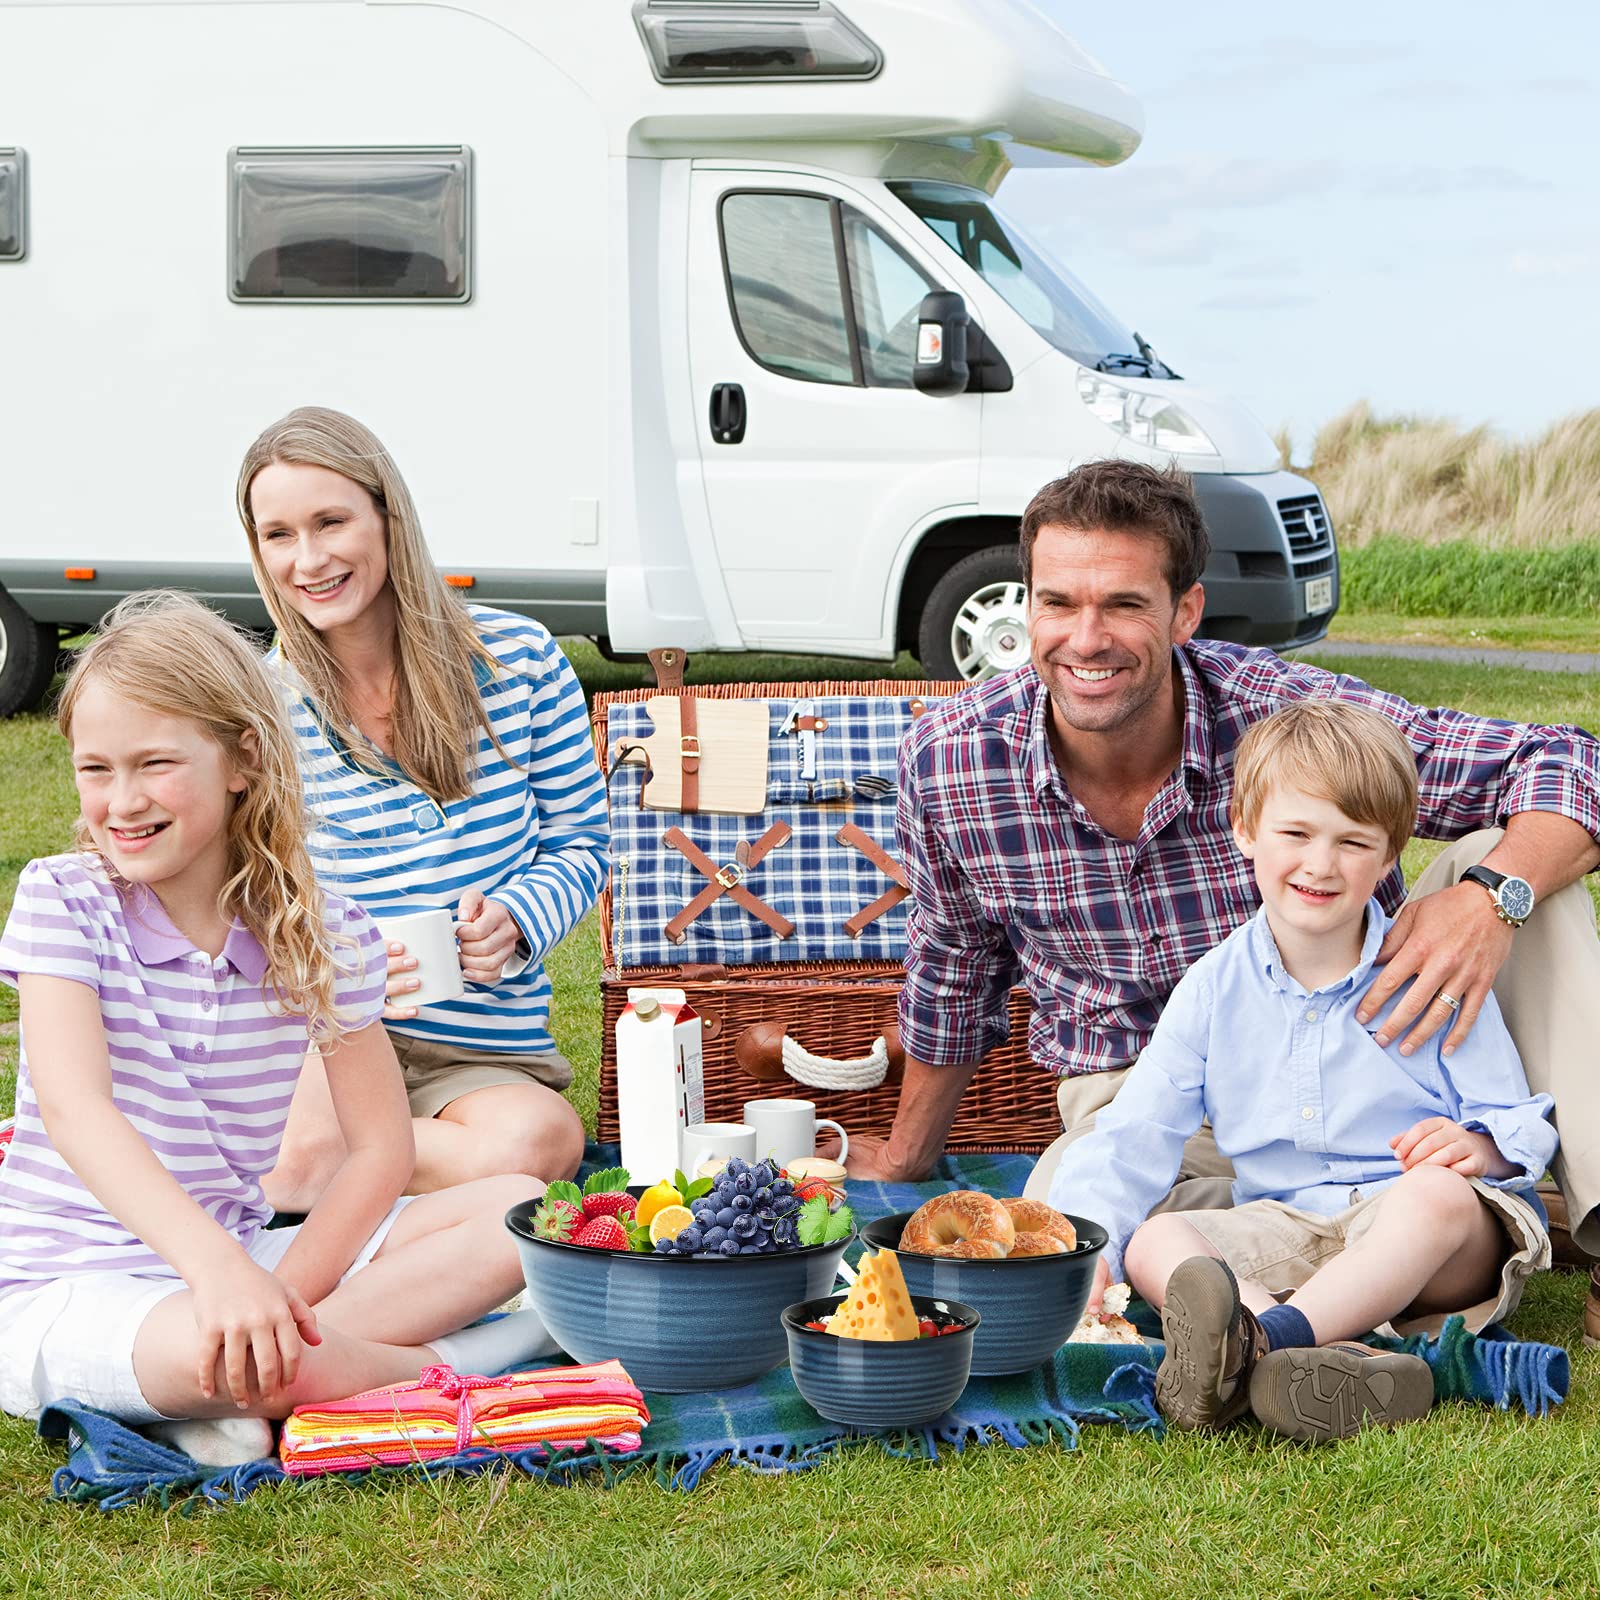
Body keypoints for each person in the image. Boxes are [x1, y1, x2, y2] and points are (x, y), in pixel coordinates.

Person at [848, 459, 1600, 1330]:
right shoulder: (950, 758)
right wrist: (905, 1162)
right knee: (1061, 1247)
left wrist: (1489, 897)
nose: (1085, 638)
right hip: (1133, 1096)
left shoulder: (1286, 716)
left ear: (1185, 612)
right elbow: (954, 972)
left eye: (1125, 604)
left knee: (1514, 866)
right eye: (1057, 602)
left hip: (1370, 1064)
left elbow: (1572, 764)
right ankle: (1275, 1336)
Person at [0, 595, 556, 1466]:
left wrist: (274, 1291)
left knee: (523, 1212)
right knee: (215, 1349)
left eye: (154, 764)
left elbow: (378, 1150)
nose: (122, 801)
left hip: (242, 1252)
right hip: (68, 1284)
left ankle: (265, 1373)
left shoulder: (322, 928)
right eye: (95, 769)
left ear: (242, 760)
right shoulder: (64, 900)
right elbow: (77, 1112)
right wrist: (222, 1278)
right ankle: (473, 1360)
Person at [1050, 701, 1556, 1441]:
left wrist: (1481, 1148)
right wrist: (1083, 1239)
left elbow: (1513, 1114)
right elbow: (1134, 1133)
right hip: (1288, 1224)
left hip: (1425, 1245)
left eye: (1353, 843)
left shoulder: (1428, 974)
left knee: (1438, 1197)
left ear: (1390, 857)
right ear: (1246, 831)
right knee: (1155, 1240)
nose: (1321, 864)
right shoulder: (1214, 989)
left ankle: (1262, 1346)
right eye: (1296, 834)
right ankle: (1320, 1360)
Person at [235, 408, 608, 1210]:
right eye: (279, 535)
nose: (310, 559)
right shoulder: (261, 707)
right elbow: (244, 890)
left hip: (477, 1053)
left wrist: (515, 917)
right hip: (328, 1035)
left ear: (387, 516)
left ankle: (341, 1175)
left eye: (331, 521)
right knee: (298, 1157)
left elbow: (582, 841)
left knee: (541, 1144)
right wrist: (326, 962)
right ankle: (363, 1176)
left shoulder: (521, 662)